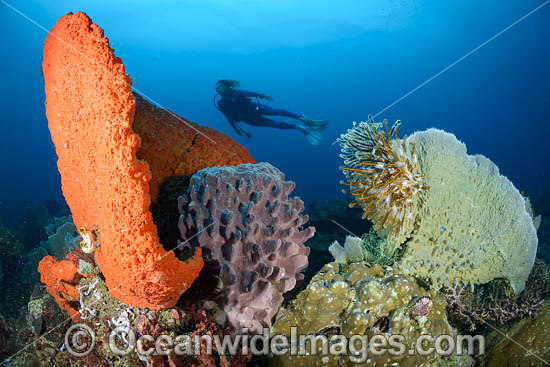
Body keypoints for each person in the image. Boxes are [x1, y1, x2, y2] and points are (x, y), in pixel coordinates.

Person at [214, 79, 328, 145]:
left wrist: (236, 129)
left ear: (225, 86)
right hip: (252, 112)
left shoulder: (223, 101)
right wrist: (263, 95)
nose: (218, 89)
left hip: (249, 118)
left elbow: (228, 116)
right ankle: (300, 121)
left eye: (220, 87)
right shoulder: (232, 94)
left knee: (275, 122)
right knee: (277, 113)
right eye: (217, 88)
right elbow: (247, 93)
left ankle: (298, 125)